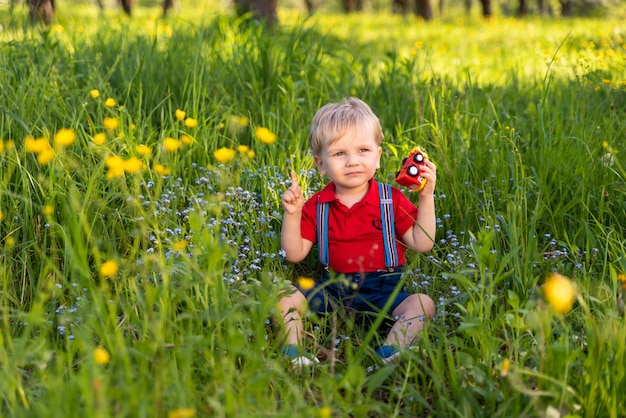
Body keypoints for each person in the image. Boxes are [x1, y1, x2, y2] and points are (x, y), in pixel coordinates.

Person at [278, 97, 437, 368]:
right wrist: (292, 215)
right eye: (340, 154)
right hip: (333, 290)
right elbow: (294, 254)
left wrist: (426, 198)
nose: (352, 161)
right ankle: (294, 353)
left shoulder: (391, 199)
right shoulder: (318, 205)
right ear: (321, 164)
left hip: (383, 291)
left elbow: (422, 243)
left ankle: (390, 352)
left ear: (377, 156)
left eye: (363, 150)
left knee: (423, 304)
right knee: (284, 297)